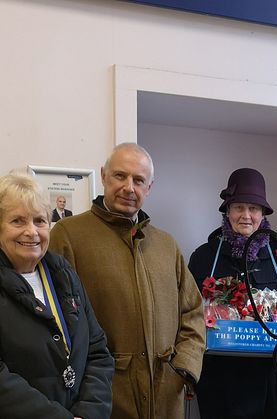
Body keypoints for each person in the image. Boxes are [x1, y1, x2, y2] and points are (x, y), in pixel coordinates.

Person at [49, 143, 205, 419]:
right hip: (104, 396)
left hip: (166, 397)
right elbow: (55, 320)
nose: (129, 187)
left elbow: (193, 311)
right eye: (120, 176)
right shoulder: (68, 235)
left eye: (138, 180)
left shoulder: (166, 245)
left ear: (149, 188)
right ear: (104, 176)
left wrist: (185, 366)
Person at [0, 173, 114, 419]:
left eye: (40, 221)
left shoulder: (66, 277)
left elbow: (97, 353)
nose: (31, 231)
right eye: (18, 221)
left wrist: (89, 413)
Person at [188, 168, 277, 419]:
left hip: (271, 381)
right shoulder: (204, 257)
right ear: (227, 211)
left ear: (263, 213)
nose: (246, 215)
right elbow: (186, 314)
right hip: (218, 379)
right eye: (238, 207)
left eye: (254, 208)